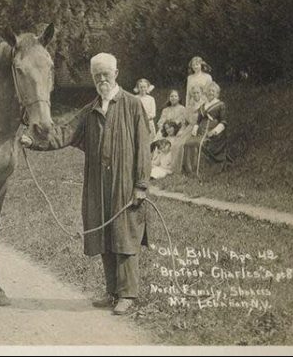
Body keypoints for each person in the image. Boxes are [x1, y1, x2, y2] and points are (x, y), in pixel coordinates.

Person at [20, 53, 151, 315]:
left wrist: (141, 185)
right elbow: (64, 133)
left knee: (124, 235)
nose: (102, 79)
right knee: (103, 235)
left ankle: (128, 294)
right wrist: (33, 141)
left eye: (106, 74)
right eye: (97, 75)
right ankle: (111, 291)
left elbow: (144, 148)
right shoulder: (90, 110)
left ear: (116, 73)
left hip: (125, 183)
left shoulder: (133, 105)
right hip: (97, 183)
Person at [182, 82, 232, 174]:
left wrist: (215, 131)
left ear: (217, 93)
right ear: (206, 93)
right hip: (201, 131)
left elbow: (224, 122)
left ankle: (199, 171)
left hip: (213, 133)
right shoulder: (203, 106)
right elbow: (198, 121)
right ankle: (190, 171)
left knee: (199, 144)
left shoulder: (220, 105)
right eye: (209, 91)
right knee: (187, 143)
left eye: (213, 91)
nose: (210, 92)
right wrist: (195, 129)